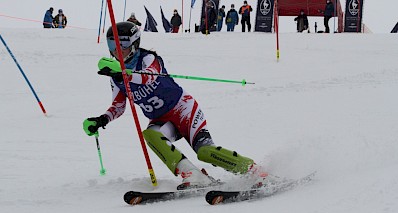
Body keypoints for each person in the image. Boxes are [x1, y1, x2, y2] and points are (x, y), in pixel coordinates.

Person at [83, 22, 267, 188]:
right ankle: (192, 175)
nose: (117, 50)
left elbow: (147, 76)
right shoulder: (116, 78)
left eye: (122, 44)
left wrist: (125, 73)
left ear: (134, 43)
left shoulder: (148, 58)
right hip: (161, 120)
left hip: (184, 110)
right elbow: (118, 107)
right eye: (112, 45)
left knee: (205, 152)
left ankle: (254, 170)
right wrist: (101, 119)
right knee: (151, 134)